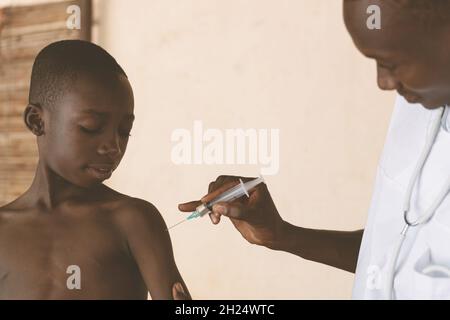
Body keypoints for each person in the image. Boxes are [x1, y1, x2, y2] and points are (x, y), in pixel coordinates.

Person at [173, 0, 450, 299]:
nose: (383, 82)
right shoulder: (420, 102)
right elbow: (396, 252)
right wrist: (283, 235)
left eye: (390, 63)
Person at [0, 40, 191, 300]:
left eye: (124, 131)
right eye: (91, 127)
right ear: (37, 121)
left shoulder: (133, 220)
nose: (113, 146)